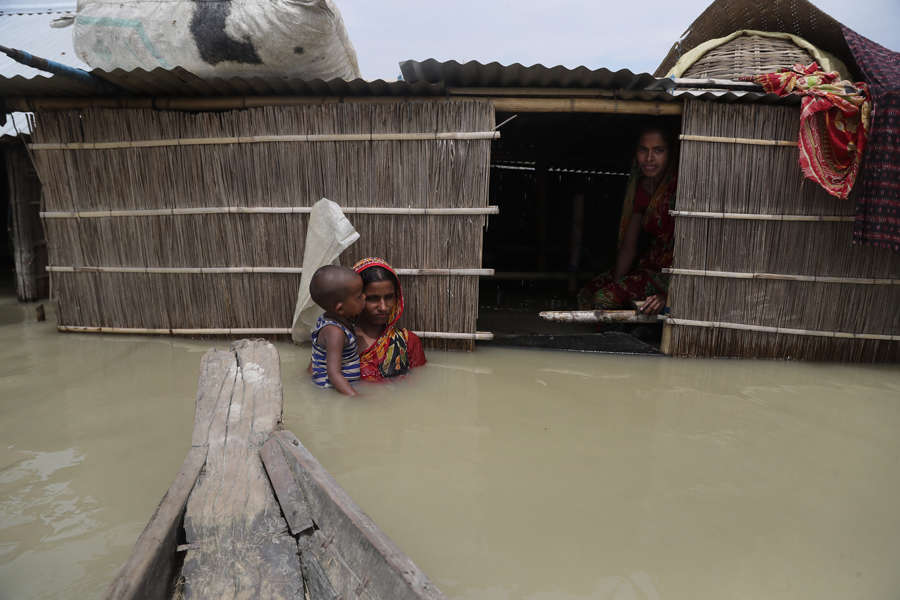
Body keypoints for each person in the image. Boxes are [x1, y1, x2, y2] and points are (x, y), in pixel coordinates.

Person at [577, 125, 677, 315]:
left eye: (658, 150)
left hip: (675, 276)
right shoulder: (641, 189)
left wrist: (670, 295)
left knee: (603, 298)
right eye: (643, 150)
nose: (649, 158)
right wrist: (618, 284)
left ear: (670, 154)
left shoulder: (680, 187)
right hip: (649, 269)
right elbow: (628, 248)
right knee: (589, 292)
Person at [352, 257, 427, 381]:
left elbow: (420, 386)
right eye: (372, 298)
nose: (383, 307)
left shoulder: (408, 342)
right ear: (355, 298)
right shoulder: (338, 338)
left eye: (389, 297)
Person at [308, 265, 366, 396]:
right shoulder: (335, 332)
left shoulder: (330, 320)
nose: (365, 297)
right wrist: (356, 397)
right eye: (358, 297)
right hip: (332, 392)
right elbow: (333, 374)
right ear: (340, 309)